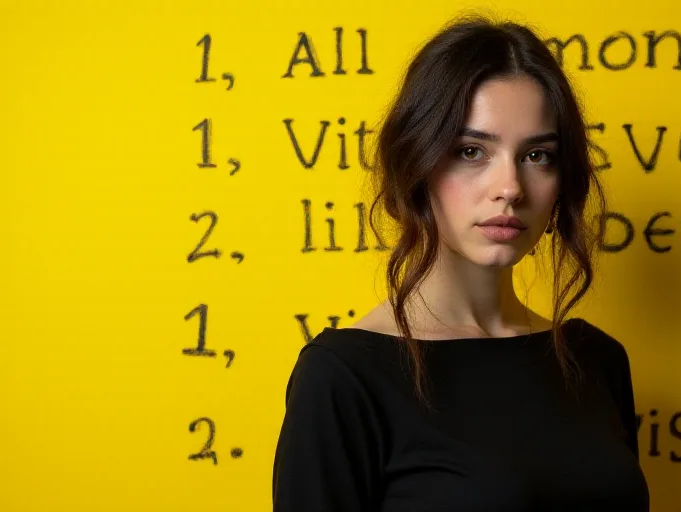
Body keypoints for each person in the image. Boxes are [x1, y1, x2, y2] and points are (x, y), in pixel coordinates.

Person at [272, 14, 650, 511]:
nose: (510, 188)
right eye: (472, 151)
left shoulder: (597, 360)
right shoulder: (344, 376)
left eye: (538, 156)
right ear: (417, 163)